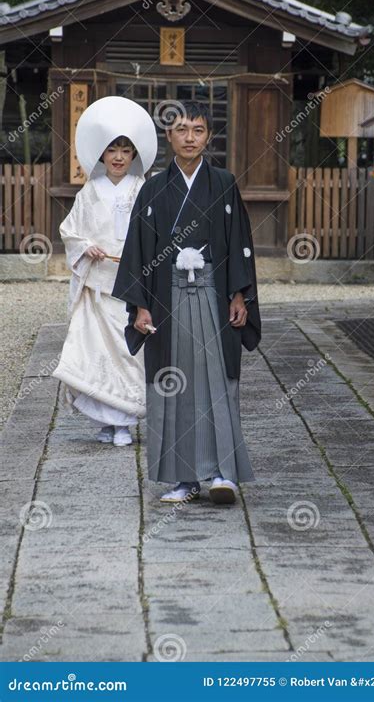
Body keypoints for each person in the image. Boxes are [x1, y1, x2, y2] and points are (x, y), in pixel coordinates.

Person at [112, 100, 261, 503]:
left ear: (208, 136)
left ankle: (222, 474)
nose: (190, 137)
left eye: (197, 130)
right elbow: (138, 251)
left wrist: (239, 295)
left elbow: (238, 243)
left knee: (218, 382)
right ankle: (184, 479)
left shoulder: (224, 183)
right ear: (169, 136)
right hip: (167, 297)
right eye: (182, 130)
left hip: (213, 295)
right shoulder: (154, 188)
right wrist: (140, 306)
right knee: (173, 383)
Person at [52, 96, 157, 447]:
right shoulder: (89, 191)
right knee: (94, 353)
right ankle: (105, 420)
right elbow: (70, 230)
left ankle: (123, 422)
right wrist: (84, 247)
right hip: (96, 286)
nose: (118, 157)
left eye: (126, 151)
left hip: (130, 287)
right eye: (112, 149)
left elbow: (154, 234)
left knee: (129, 354)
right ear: (102, 154)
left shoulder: (143, 190)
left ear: (134, 156)